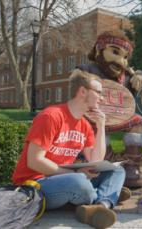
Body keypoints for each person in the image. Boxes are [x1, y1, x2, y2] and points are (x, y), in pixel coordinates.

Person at [12, 70, 128, 229]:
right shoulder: (51, 116)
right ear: (82, 91)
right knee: (79, 181)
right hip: (35, 184)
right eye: (99, 92)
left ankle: (100, 205)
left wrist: (101, 127)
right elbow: (34, 161)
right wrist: (75, 173)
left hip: (64, 178)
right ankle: (106, 193)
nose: (102, 98)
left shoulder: (85, 125)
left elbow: (95, 162)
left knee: (117, 170)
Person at [77, 30, 142, 188]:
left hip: (118, 115)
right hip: (93, 116)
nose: (120, 61)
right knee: (93, 124)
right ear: (98, 49)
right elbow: (76, 83)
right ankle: (107, 163)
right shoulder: (86, 69)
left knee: (138, 122)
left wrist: (140, 75)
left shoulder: (124, 77)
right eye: (115, 52)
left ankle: (131, 167)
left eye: (125, 57)